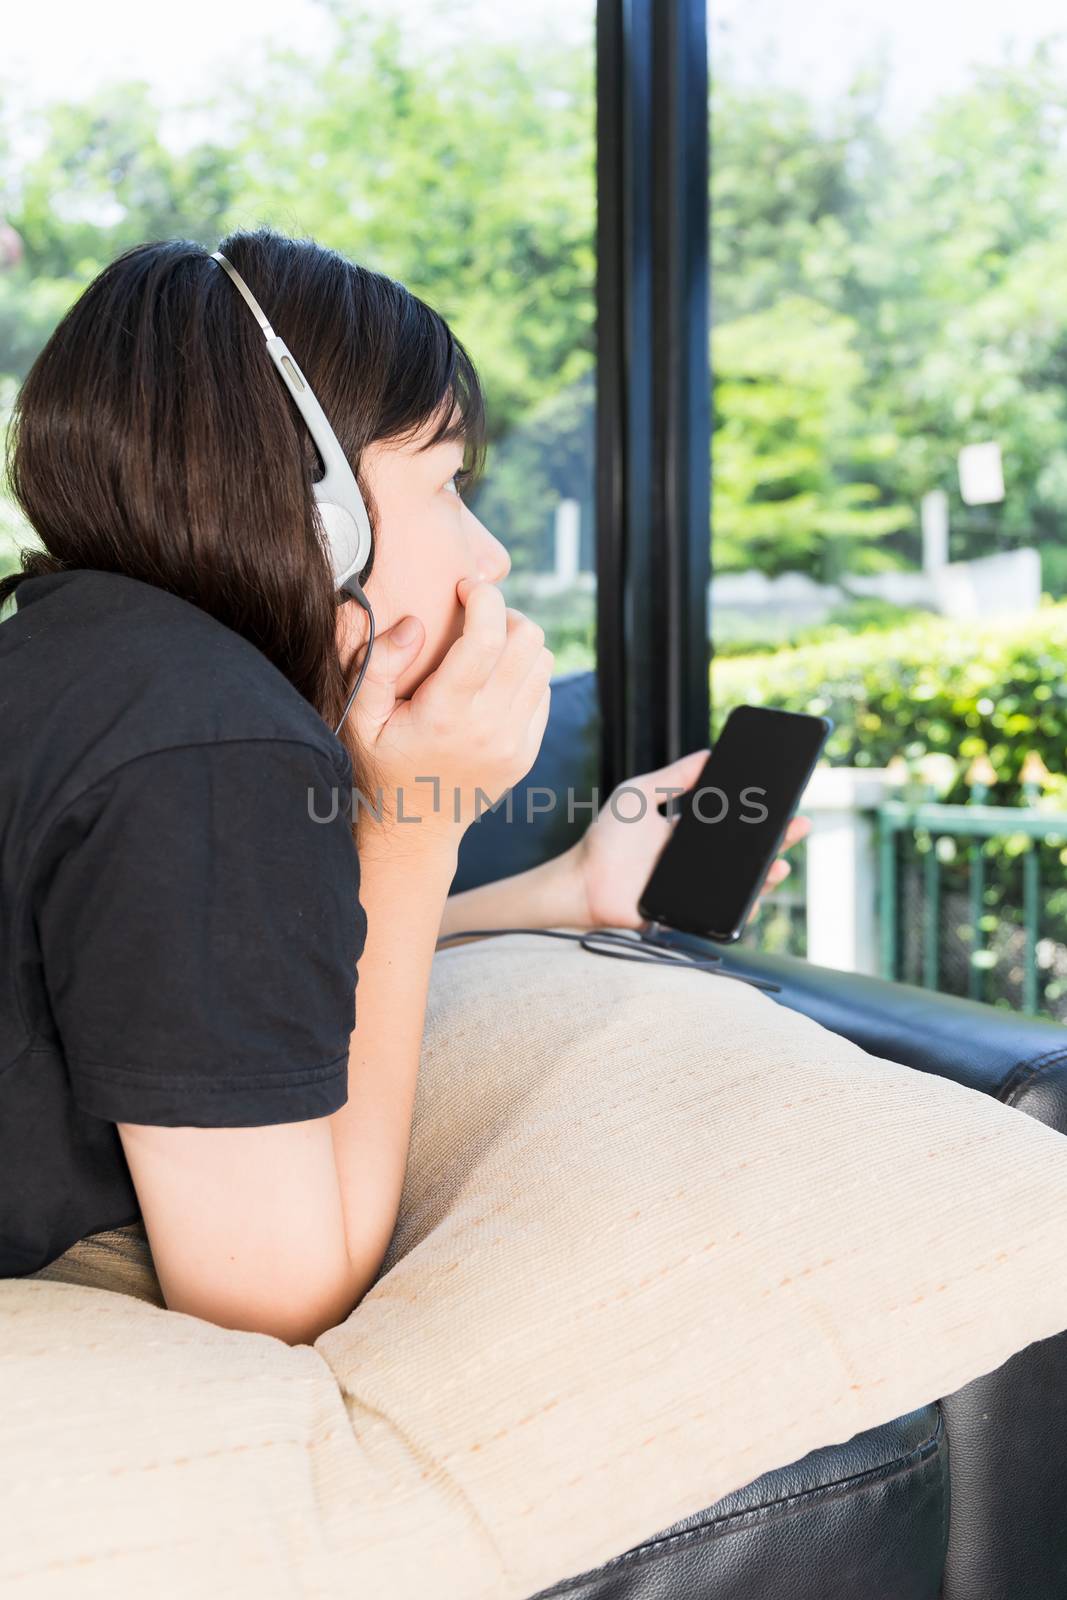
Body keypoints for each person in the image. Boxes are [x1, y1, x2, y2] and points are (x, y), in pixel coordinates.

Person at [0, 225, 805, 1346]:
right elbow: (277, 1296)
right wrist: (414, 826)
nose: (491, 556)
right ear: (315, 507)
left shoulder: (93, 663)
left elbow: (219, 1002)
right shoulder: (212, 739)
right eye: (445, 482)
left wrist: (562, 892)